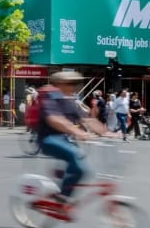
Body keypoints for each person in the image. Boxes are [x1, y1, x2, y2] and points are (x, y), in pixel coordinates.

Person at [37, 71, 112, 204]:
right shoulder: (50, 96)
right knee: (78, 162)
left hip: (64, 139)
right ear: (59, 84)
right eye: (71, 83)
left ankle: (63, 188)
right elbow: (54, 119)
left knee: (82, 165)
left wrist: (106, 132)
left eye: (75, 84)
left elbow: (85, 119)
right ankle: (62, 197)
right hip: (49, 139)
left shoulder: (69, 100)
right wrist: (77, 132)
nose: (74, 87)